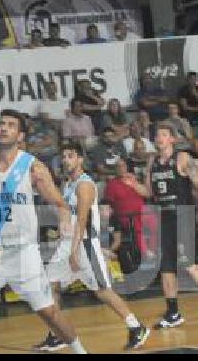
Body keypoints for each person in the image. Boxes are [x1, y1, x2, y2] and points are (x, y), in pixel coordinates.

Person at [0, 110, 88, 354]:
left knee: (48, 312)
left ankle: (79, 350)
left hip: (24, 252)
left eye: (11, 125)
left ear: (20, 135)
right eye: (1, 124)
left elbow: (60, 203)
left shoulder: (33, 167)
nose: (4, 128)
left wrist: (64, 221)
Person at [36, 142, 150, 351]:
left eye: (71, 155)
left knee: (102, 291)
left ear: (80, 159)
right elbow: (67, 214)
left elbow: (82, 220)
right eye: (64, 156)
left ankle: (136, 327)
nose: (66, 159)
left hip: (84, 245)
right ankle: (58, 334)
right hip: (69, 242)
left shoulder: (85, 185)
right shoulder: (68, 184)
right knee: (49, 285)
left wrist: (73, 251)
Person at [139, 123, 198, 329]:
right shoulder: (152, 162)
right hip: (164, 217)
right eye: (157, 134)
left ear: (172, 139)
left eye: (163, 134)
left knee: (187, 263)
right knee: (166, 268)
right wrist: (133, 186)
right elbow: (149, 193)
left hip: (182, 215)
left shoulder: (182, 158)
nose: (159, 137)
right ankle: (173, 312)